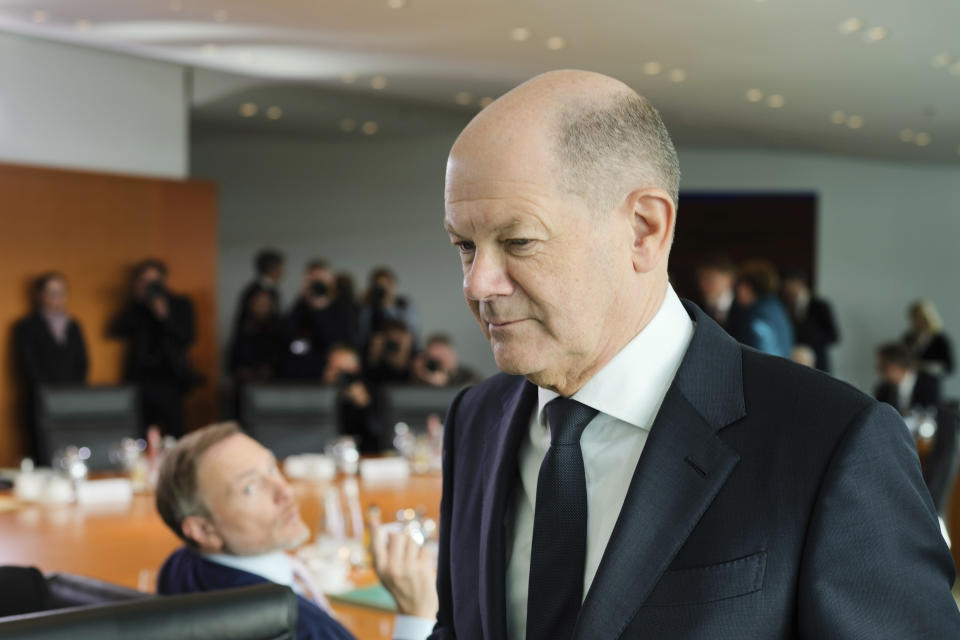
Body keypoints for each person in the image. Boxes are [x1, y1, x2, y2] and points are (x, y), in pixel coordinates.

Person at [426, 70, 958, 639]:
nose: (478, 284)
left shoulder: (832, 442)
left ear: (643, 230)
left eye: (518, 241)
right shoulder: (476, 420)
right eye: (464, 245)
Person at [154, 422, 436, 640]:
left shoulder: (179, 565)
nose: (285, 491)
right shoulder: (293, 626)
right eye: (251, 487)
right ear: (203, 530)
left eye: (272, 469)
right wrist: (415, 615)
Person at [110, 259, 200, 437]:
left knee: (176, 434)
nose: (149, 286)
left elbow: (187, 337)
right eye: (144, 281)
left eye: (153, 281)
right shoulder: (137, 308)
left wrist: (165, 316)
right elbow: (117, 329)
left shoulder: (180, 304)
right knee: (139, 434)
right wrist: (137, 301)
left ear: (163, 281)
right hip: (140, 380)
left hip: (171, 379)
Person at [13, 272, 89, 462]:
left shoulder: (73, 326)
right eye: (51, 293)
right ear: (40, 295)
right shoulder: (26, 327)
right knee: (45, 453)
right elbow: (28, 365)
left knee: (72, 451)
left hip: (72, 399)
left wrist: (72, 392)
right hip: (41, 399)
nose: (57, 299)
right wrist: (50, 393)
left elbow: (82, 362)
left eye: (61, 293)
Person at [279, 260, 357, 380]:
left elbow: (338, 340)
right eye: (313, 280)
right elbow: (286, 336)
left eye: (321, 279)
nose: (318, 284)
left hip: (331, 371)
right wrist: (301, 298)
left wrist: (320, 308)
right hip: (301, 371)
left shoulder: (343, 306)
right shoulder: (301, 307)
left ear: (331, 281)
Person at [322, 343, 386, 453]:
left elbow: (380, 435)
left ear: (357, 369)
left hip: (365, 453)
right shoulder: (322, 395)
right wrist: (326, 388)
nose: (342, 377)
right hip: (327, 453)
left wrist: (364, 405)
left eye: (345, 372)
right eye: (336, 370)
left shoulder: (373, 392)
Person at [780, 269, 839, 373]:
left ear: (801, 284)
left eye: (791, 286)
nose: (788, 291)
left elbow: (833, 336)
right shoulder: (784, 306)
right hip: (795, 362)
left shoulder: (820, 306)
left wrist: (810, 334)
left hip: (817, 363)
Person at [734, 259, 794, 358]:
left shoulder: (755, 315)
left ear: (746, 287)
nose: (736, 293)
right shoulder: (777, 307)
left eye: (737, 286)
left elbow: (753, 357)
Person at [228, 285, 283, 383]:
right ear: (251, 305)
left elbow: (280, 354)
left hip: (272, 381)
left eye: (265, 304)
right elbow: (234, 356)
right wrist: (241, 370)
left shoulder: (278, 327)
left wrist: (271, 368)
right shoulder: (244, 327)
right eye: (258, 303)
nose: (261, 307)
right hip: (246, 380)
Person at [358, 267, 420, 348]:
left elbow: (413, 333)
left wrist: (387, 307)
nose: (382, 291)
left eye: (385, 286)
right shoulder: (367, 308)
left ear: (393, 286)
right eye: (378, 287)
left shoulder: (405, 305)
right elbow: (362, 335)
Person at [874, 342, 941, 415]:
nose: (878, 369)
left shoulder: (929, 385)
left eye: (883, 365)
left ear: (896, 365)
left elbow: (932, 413)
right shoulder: (883, 390)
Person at [233, 249, 285, 331]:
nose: (283, 271)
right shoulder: (258, 292)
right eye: (280, 267)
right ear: (272, 269)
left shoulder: (266, 289)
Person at [903, 299, 954, 378]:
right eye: (914, 318)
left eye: (920, 318)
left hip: (930, 384)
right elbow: (901, 359)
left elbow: (949, 368)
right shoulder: (908, 338)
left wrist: (925, 366)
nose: (917, 322)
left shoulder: (940, 339)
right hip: (910, 382)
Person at [693, 254, 741, 334]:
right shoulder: (696, 308)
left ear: (728, 279)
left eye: (709, 278)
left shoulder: (744, 307)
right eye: (700, 279)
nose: (703, 285)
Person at [410, 334, 479, 388]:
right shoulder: (423, 378)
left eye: (444, 355)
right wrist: (421, 374)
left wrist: (446, 383)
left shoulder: (469, 376)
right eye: (436, 359)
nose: (443, 362)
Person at [365, 318, 416, 383]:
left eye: (398, 336)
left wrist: (404, 349)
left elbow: (401, 370)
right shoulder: (376, 352)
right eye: (391, 334)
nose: (394, 338)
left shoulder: (412, 356)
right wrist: (374, 351)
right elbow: (370, 373)